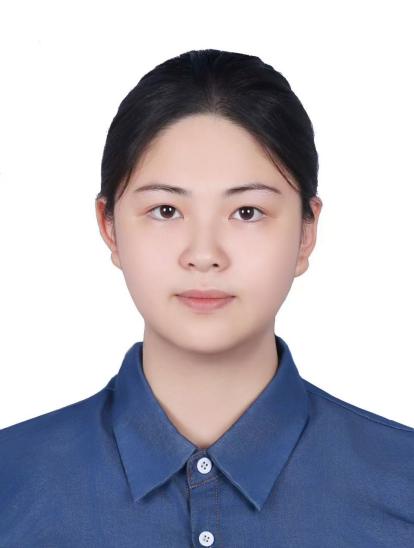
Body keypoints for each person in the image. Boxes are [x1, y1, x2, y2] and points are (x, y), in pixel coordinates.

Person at [1, 48, 413, 547]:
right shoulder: (12, 484)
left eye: (247, 212)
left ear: (306, 233)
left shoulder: (402, 487)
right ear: (109, 228)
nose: (203, 255)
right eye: (166, 210)